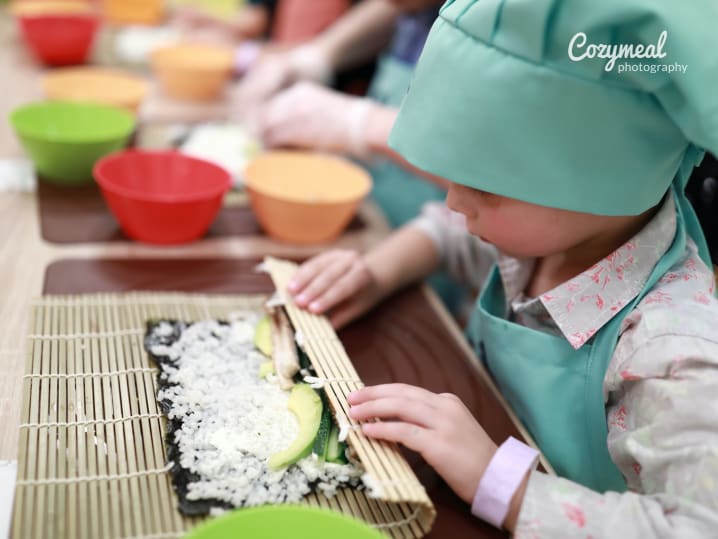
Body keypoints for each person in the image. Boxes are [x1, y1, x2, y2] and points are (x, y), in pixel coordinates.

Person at [286, 0, 718, 535]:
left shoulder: (670, 348)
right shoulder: (559, 233)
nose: (453, 202)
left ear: (601, 180)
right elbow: (452, 236)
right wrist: (376, 272)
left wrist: (498, 480)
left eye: (484, 187)